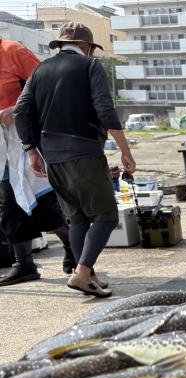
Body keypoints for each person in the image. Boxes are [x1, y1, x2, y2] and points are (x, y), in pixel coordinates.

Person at [15, 22, 136, 298]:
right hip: (83, 153)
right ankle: (82, 272)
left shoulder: (40, 70)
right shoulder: (90, 67)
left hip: (52, 157)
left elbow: (21, 112)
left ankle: (87, 276)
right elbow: (105, 110)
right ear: (86, 47)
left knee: (78, 218)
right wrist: (126, 152)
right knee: (105, 215)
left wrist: (31, 150)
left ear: (60, 45)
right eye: (91, 49)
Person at [0, 37, 76, 286]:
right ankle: (24, 264)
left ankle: (72, 246)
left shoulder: (13, 51)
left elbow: (47, 84)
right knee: (9, 204)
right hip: (1, 144)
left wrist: (16, 109)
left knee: (44, 201)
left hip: (24, 136)